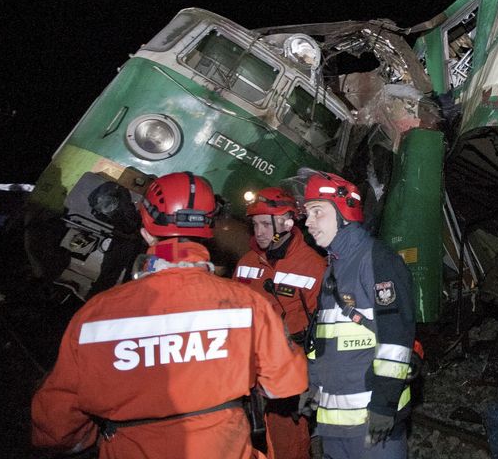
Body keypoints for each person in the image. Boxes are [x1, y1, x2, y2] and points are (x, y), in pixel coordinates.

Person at [31, 172, 307, 459]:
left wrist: (93, 438)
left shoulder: (95, 317)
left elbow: (56, 423)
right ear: (209, 230)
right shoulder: (247, 305)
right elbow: (287, 382)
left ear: (146, 232)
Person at [291, 168, 416, 459]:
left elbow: (396, 341)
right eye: (307, 213)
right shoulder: (333, 268)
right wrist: (312, 385)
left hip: (372, 425)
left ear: (343, 212)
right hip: (335, 425)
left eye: (317, 212)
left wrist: (384, 405)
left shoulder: (377, 260)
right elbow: (323, 341)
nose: (308, 222)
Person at [235, 186, 326, 459]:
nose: (259, 232)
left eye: (266, 224)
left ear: (287, 222)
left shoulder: (313, 266)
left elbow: (325, 329)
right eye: (255, 225)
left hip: (289, 371)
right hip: (246, 369)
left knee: (287, 443)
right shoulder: (246, 263)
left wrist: (314, 379)